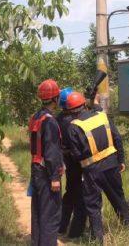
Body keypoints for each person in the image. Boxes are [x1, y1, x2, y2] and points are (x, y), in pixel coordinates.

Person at [66, 92, 129, 244]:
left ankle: (98, 240)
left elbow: (76, 155)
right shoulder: (102, 116)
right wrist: (120, 160)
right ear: (84, 105)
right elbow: (117, 138)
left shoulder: (73, 128)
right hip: (111, 165)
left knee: (93, 206)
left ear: (70, 111)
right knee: (118, 198)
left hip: (91, 171)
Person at [29, 79, 64, 246]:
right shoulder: (49, 121)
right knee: (51, 213)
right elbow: (51, 152)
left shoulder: (36, 116)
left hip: (36, 168)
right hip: (46, 172)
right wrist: (55, 177)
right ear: (56, 98)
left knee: (38, 210)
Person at [56, 87, 87, 238]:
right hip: (78, 160)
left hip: (67, 160)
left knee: (70, 193)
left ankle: (61, 226)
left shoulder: (57, 119)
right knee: (81, 194)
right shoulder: (74, 121)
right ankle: (76, 232)